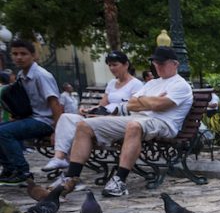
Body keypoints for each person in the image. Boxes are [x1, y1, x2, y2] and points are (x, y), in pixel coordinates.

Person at [53, 46, 193, 197]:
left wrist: (144, 101)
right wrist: (150, 101)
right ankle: (71, 177)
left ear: (175, 64)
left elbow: (158, 106)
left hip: (163, 123)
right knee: (83, 125)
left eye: (161, 63)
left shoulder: (181, 85)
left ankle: (119, 180)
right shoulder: (152, 83)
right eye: (155, 63)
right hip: (139, 118)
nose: (157, 66)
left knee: (134, 125)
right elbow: (131, 104)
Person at [43, 51, 143, 172]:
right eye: (109, 65)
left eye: (115, 65)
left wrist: (112, 113)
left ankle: (71, 169)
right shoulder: (112, 83)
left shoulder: (136, 84)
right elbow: (102, 104)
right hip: (101, 117)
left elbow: (134, 107)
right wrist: (89, 110)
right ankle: (59, 157)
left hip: (118, 120)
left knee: (80, 127)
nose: (111, 68)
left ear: (126, 64)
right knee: (66, 117)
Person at [0, 39, 61, 185]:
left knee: (4, 133)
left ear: (34, 56)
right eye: (15, 54)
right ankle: (9, 169)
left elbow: (55, 103)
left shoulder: (41, 75)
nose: (19, 57)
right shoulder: (22, 75)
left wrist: (57, 130)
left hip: (45, 121)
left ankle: (23, 171)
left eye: (23, 54)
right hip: (32, 118)